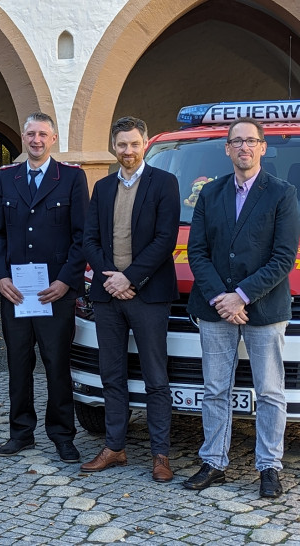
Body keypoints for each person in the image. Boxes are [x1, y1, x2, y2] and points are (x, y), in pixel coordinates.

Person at [184, 118, 300, 498]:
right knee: (215, 388)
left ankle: (269, 466)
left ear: (263, 148)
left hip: (264, 309)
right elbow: (196, 252)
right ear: (227, 149)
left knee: (270, 392)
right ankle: (214, 461)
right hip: (215, 306)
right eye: (237, 141)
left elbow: (284, 256)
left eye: (251, 141)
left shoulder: (283, 193)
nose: (244, 147)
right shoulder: (210, 193)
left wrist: (242, 295)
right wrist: (222, 297)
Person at [80, 117, 180, 482]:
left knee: (156, 377)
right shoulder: (103, 188)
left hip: (148, 294)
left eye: (134, 144)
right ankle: (115, 447)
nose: (128, 151)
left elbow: (165, 239)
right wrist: (111, 278)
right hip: (109, 296)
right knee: (112, 375)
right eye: (121, 145)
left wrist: (130, 277)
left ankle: (160, 454)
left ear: (145, 143)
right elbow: (89, 239)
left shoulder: (164, 183)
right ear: (113, 146)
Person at [0, 112, 89, 462]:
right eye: (31, 134)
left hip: (54, 292)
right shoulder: (7, 178)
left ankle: (62, 434)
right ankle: (21, 432)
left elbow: (82, 237)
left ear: (53, 138)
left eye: (43, 135)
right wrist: (0, 276)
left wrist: (65, 281)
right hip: (15, 292)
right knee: (18, 363)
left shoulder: (72, 179)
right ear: (22, 136)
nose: (36, 140)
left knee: (56, 363)